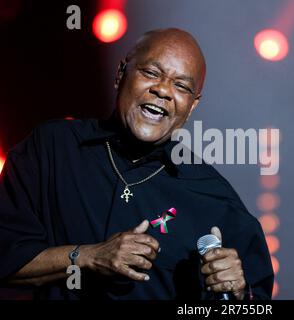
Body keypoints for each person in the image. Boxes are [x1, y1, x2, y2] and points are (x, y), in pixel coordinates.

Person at [0, 28, 273, 300]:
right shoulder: (53, 148)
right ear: (121, 74)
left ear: (191, 107)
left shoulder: (215, 197)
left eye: (181, 86)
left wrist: (239, 293)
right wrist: (88, 256)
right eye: (151, 73)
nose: (163, 90)